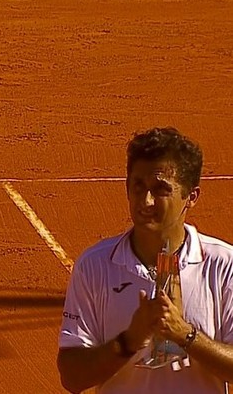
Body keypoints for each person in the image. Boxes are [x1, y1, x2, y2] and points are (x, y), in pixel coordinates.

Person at [57, 127, 233, 393]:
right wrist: (129, 341)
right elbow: (72, 377)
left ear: (191, 197)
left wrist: (186, 335)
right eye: (138, 187)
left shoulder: (224, 265)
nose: (146, 201)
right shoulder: (94, 266)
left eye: (160, 189)